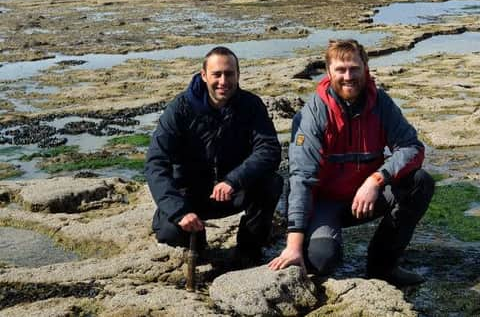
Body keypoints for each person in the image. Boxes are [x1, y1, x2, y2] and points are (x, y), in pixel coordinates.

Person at [268, 39, 435, 286]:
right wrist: (293, 245)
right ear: (328, 72)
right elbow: (301, 179)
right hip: (324, 202)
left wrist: (377, 179)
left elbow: (412, 147)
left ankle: (382, 267)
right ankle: (307, 244)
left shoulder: (381, 103)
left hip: (366, 196)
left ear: (365, 68)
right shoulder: (313, 114)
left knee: (420, 182)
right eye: (341, 70)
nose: (348, 76)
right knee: (322, 261)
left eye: (354, 68)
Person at [145, 46, 282, 268]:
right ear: (204, 75)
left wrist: (234, 180)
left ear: (238, 75)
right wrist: (179, 211)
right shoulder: (180, 110)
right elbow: (155, 163)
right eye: (216, 74)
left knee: (272, 183)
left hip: (232, 191)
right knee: (170, 233)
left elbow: (269, 150)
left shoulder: (251, 105)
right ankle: (196, 238)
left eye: (229, 74)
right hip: (190, 195)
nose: (223, 81)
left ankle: (248, 250)